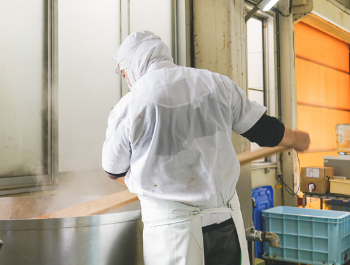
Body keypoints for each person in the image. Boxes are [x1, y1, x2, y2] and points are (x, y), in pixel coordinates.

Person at [102, 30, 310, 265]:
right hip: (225, 225)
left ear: (133, 65)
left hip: (172, 232)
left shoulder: (129, 106)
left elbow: (113, 170)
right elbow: (261, 129)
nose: (127, 80)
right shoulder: (216, 84)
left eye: (124, 74)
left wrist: (143, 181)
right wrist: (294, 138)